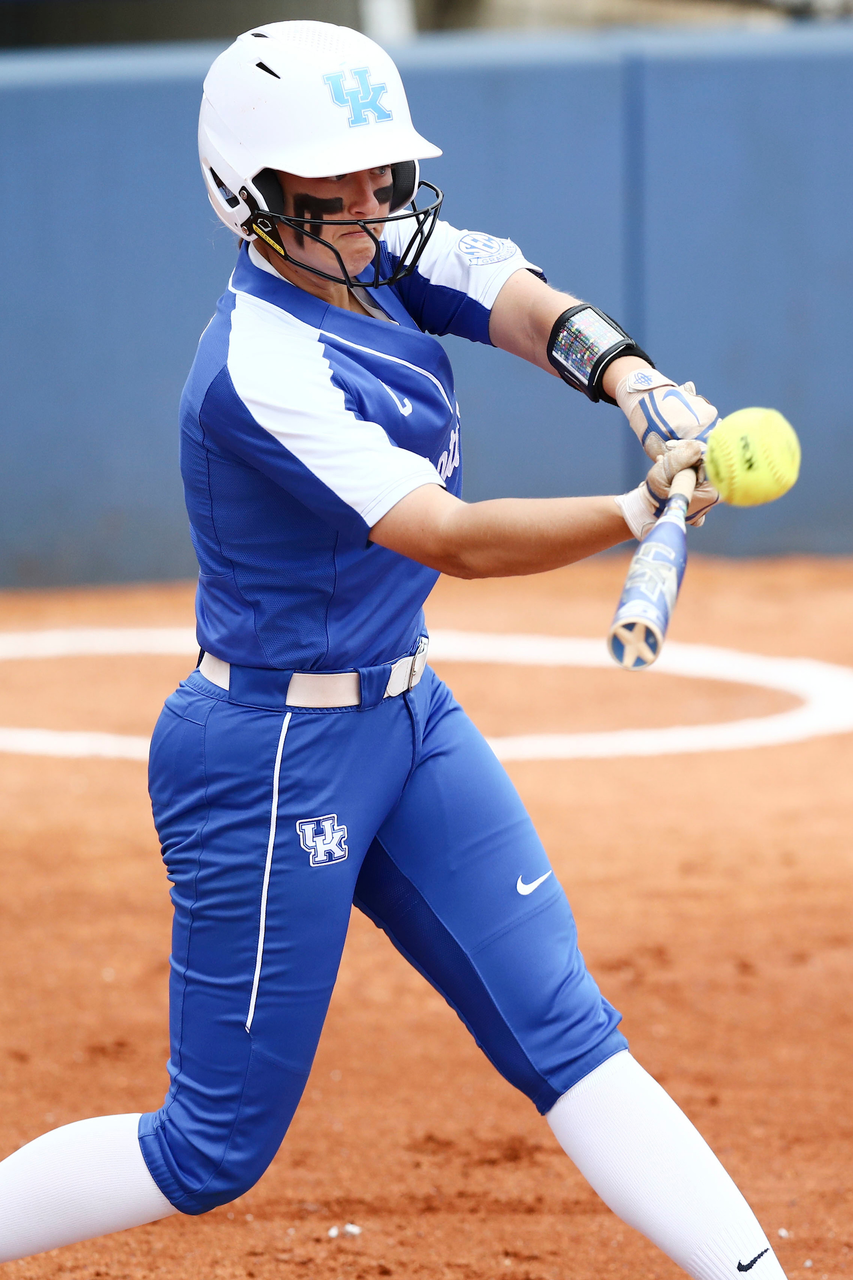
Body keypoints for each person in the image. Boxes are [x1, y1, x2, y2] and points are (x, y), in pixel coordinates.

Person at [0, 21, 787, 1280]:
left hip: (409, 724)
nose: (372, 202)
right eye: (336, 182)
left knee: (568, 1031)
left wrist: (633, 380)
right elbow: (452, 538)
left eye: (380, 174)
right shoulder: (258, 366)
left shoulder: (373, 257)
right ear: (253, 199)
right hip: (268, 757)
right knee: (208, 1150)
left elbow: (521, 300)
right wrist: (635, 511)